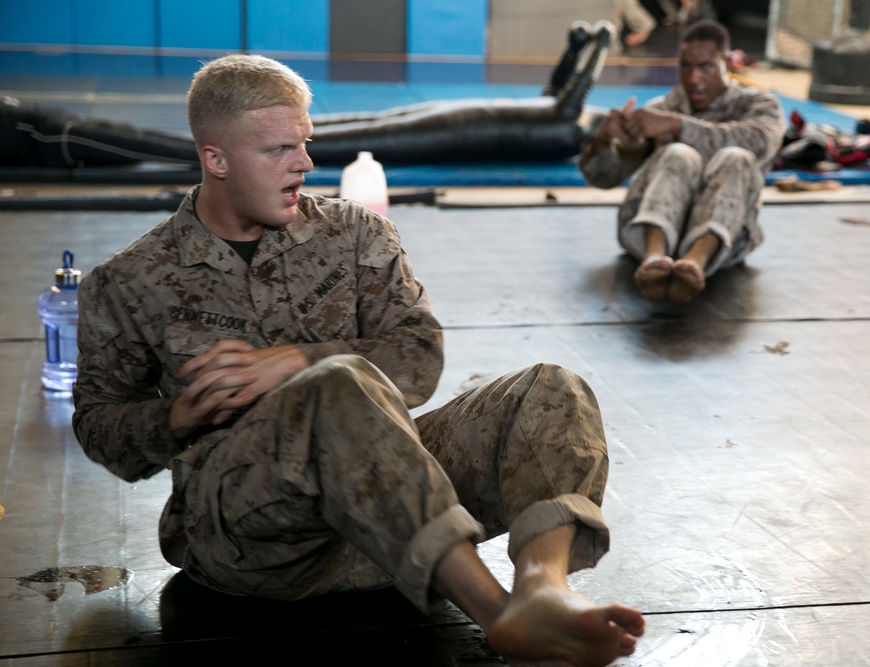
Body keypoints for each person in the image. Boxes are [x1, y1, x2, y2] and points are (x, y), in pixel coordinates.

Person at [71, 54, 644, 666]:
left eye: (306, 143)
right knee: (338, 383)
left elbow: (417, 356)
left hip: (393, 508)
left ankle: (541, 590)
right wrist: (177, 419)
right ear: (215, 159)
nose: (306, 164)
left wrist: (293, 360)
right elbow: (99, 427)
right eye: (279, 150)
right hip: (257, 538)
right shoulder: (131, 280)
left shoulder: (354, 235)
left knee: (550, 389)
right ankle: (499, 615)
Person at [2, 22, 613, 169]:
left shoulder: (568, 131)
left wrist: (597, 47)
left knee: (332, 139)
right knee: (346, 123)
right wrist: (578, 49)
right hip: (442, 116)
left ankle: (48, 130)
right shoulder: (567, 116)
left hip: (449, 131)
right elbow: (557, 91)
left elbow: (566, 100)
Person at [579, 19, 785, 303]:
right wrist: (602, 142)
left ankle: (695, 262)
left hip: (727, 243)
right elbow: (604, 178)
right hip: (645, 234)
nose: (693, 79)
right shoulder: (660, 110)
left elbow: (759, 143)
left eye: (706, 67)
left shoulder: (758, 105)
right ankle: (654, 258)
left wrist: (677, 126)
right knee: (679, 154)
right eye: (685, 67)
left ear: (727, 63)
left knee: (736, 157)